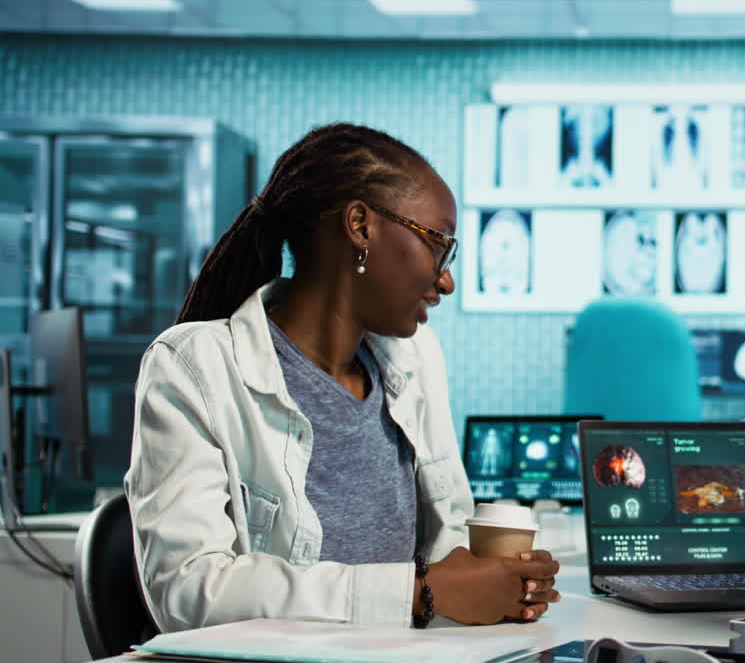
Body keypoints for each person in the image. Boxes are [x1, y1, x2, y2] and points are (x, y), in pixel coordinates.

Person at [124, 123, 561, 633]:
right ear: (360, 225)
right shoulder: (194, 367)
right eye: (438, 245)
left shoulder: (416, 358)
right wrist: (418, 593)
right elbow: (187, 590)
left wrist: (496, 582)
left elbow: (446, 552)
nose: (445, 280)